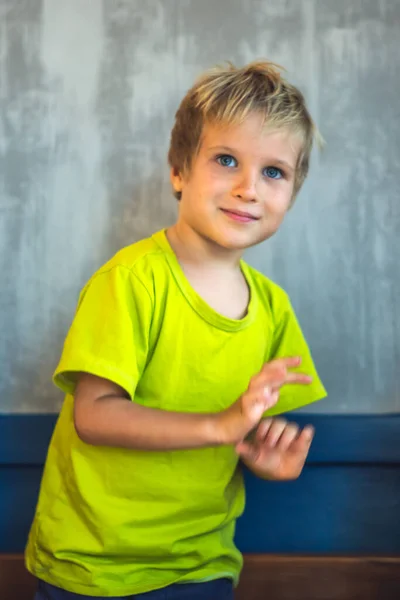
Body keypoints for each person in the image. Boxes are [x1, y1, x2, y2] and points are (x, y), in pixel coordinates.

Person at [26, 60, 327, 599]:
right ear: (179, 171)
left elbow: (247, 428)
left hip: (200, 561)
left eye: (273, 172)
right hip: (92, 563)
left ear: (291, 196)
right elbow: (94, 415)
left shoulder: (274, 309)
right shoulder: (130, 281)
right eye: (226, 159)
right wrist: (219, 425)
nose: (248, 188)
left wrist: (267, 457)